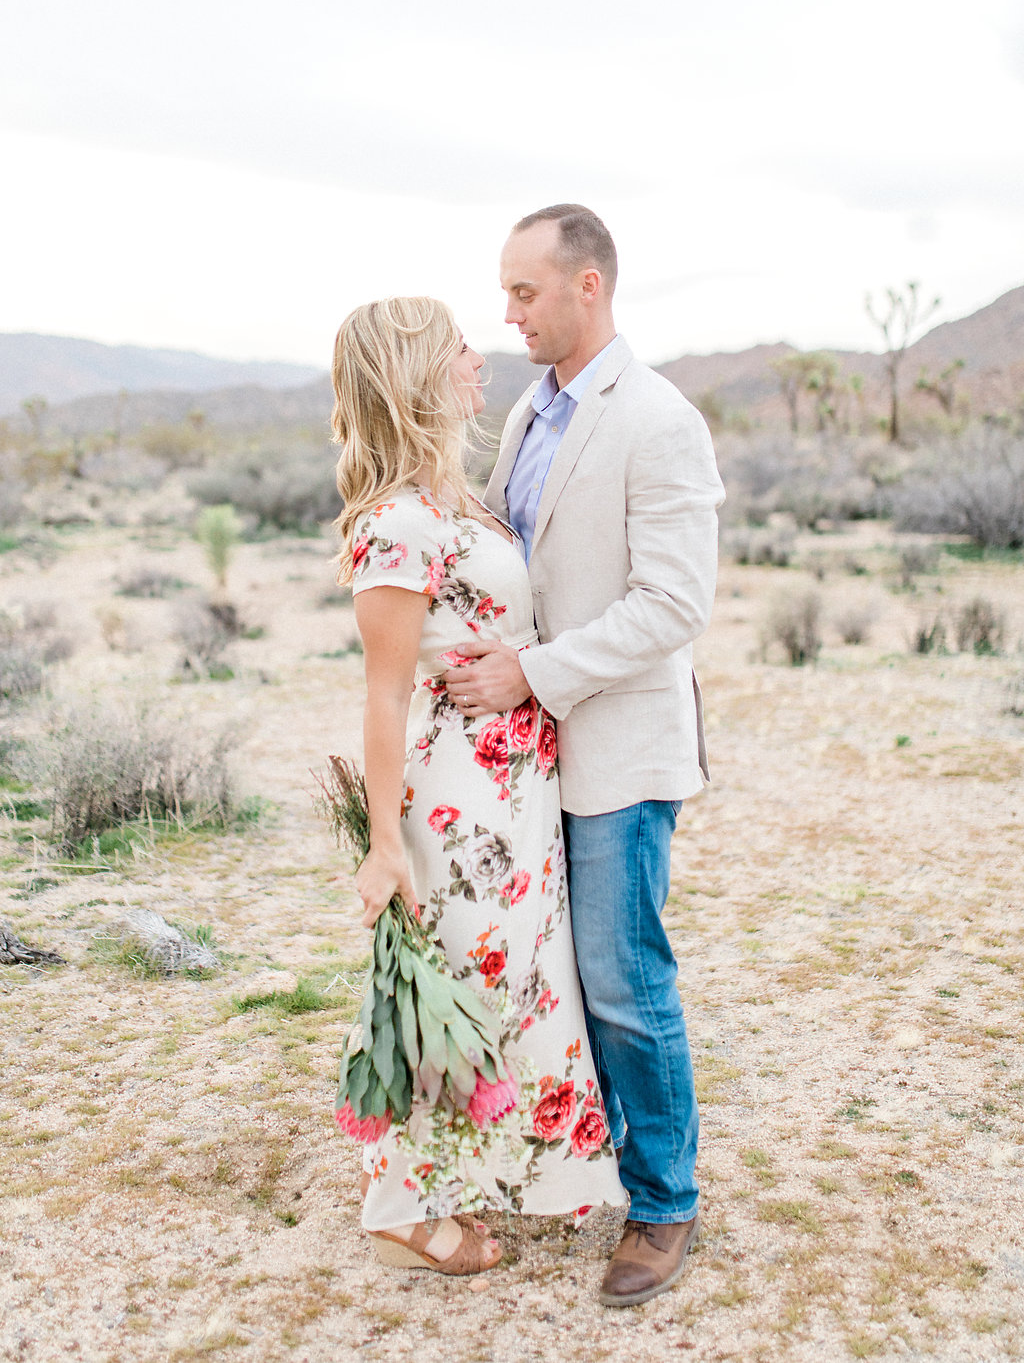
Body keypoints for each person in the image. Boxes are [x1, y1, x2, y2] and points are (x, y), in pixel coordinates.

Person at [442, 205, 725, 1307]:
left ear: (589, 286)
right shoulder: (529, 413)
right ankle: (585, 1162)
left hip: (618, 746)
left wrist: (534, 672)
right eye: (505, 292)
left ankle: (663, 1206)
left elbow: (673, 602)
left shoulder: (657, 421)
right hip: (528, 759)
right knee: (557, 975)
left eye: (524, 292)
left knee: (622, 977)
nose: (507, 312)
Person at [330, 295, 625, 1277]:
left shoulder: (455, 501)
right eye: (460, 346)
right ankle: (398, 1211)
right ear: (420, 370)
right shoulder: (400, 521)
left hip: (514, 789)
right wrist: (381, 845)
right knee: (460, 987)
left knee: (506, 987)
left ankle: (468, 1180)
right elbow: (382, 695)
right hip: (459, 799)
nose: (478, 359)